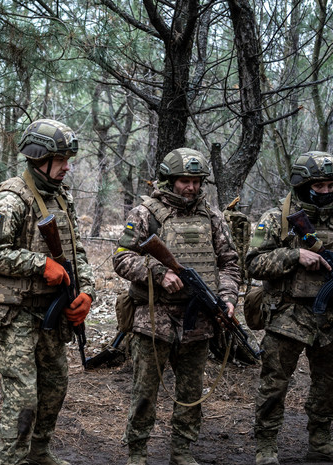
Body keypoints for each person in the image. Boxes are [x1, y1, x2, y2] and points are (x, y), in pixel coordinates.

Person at [0, 118, 95, 465]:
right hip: (16, 315)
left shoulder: (61, 198)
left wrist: (87, 292)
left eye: (68, 159)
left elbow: (76, 252)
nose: (67, 167)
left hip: (52, 313)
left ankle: (39, 452)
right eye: (61, 159)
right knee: (23, 396)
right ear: (40, 158)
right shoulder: (11, 200)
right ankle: (12, 460)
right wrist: (40, 264)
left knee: (55, 387)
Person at [112, 148, 240, 465]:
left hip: (199, 321)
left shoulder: (212, 217)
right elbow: (122, 258)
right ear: (169, 180)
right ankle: (137, 452)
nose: (191, 187)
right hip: (153, 319)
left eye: (196, 181)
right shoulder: (145, 214)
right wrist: (158, 273)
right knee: (145, 391)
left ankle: (182, 451)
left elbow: (229, 264)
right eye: (185, 181)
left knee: (191, 392)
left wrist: (227, 298)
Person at [247, 152, 333, 465]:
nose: (327, 191)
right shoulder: (274, 218)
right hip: (286, 316)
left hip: (330, 319)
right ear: (302, 184)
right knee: (274, 384)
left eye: (331, 185)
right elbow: (253, 263)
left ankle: (321, 440)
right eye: (319, 186)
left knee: (328, 384)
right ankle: (266, 446)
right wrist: (294, 256)